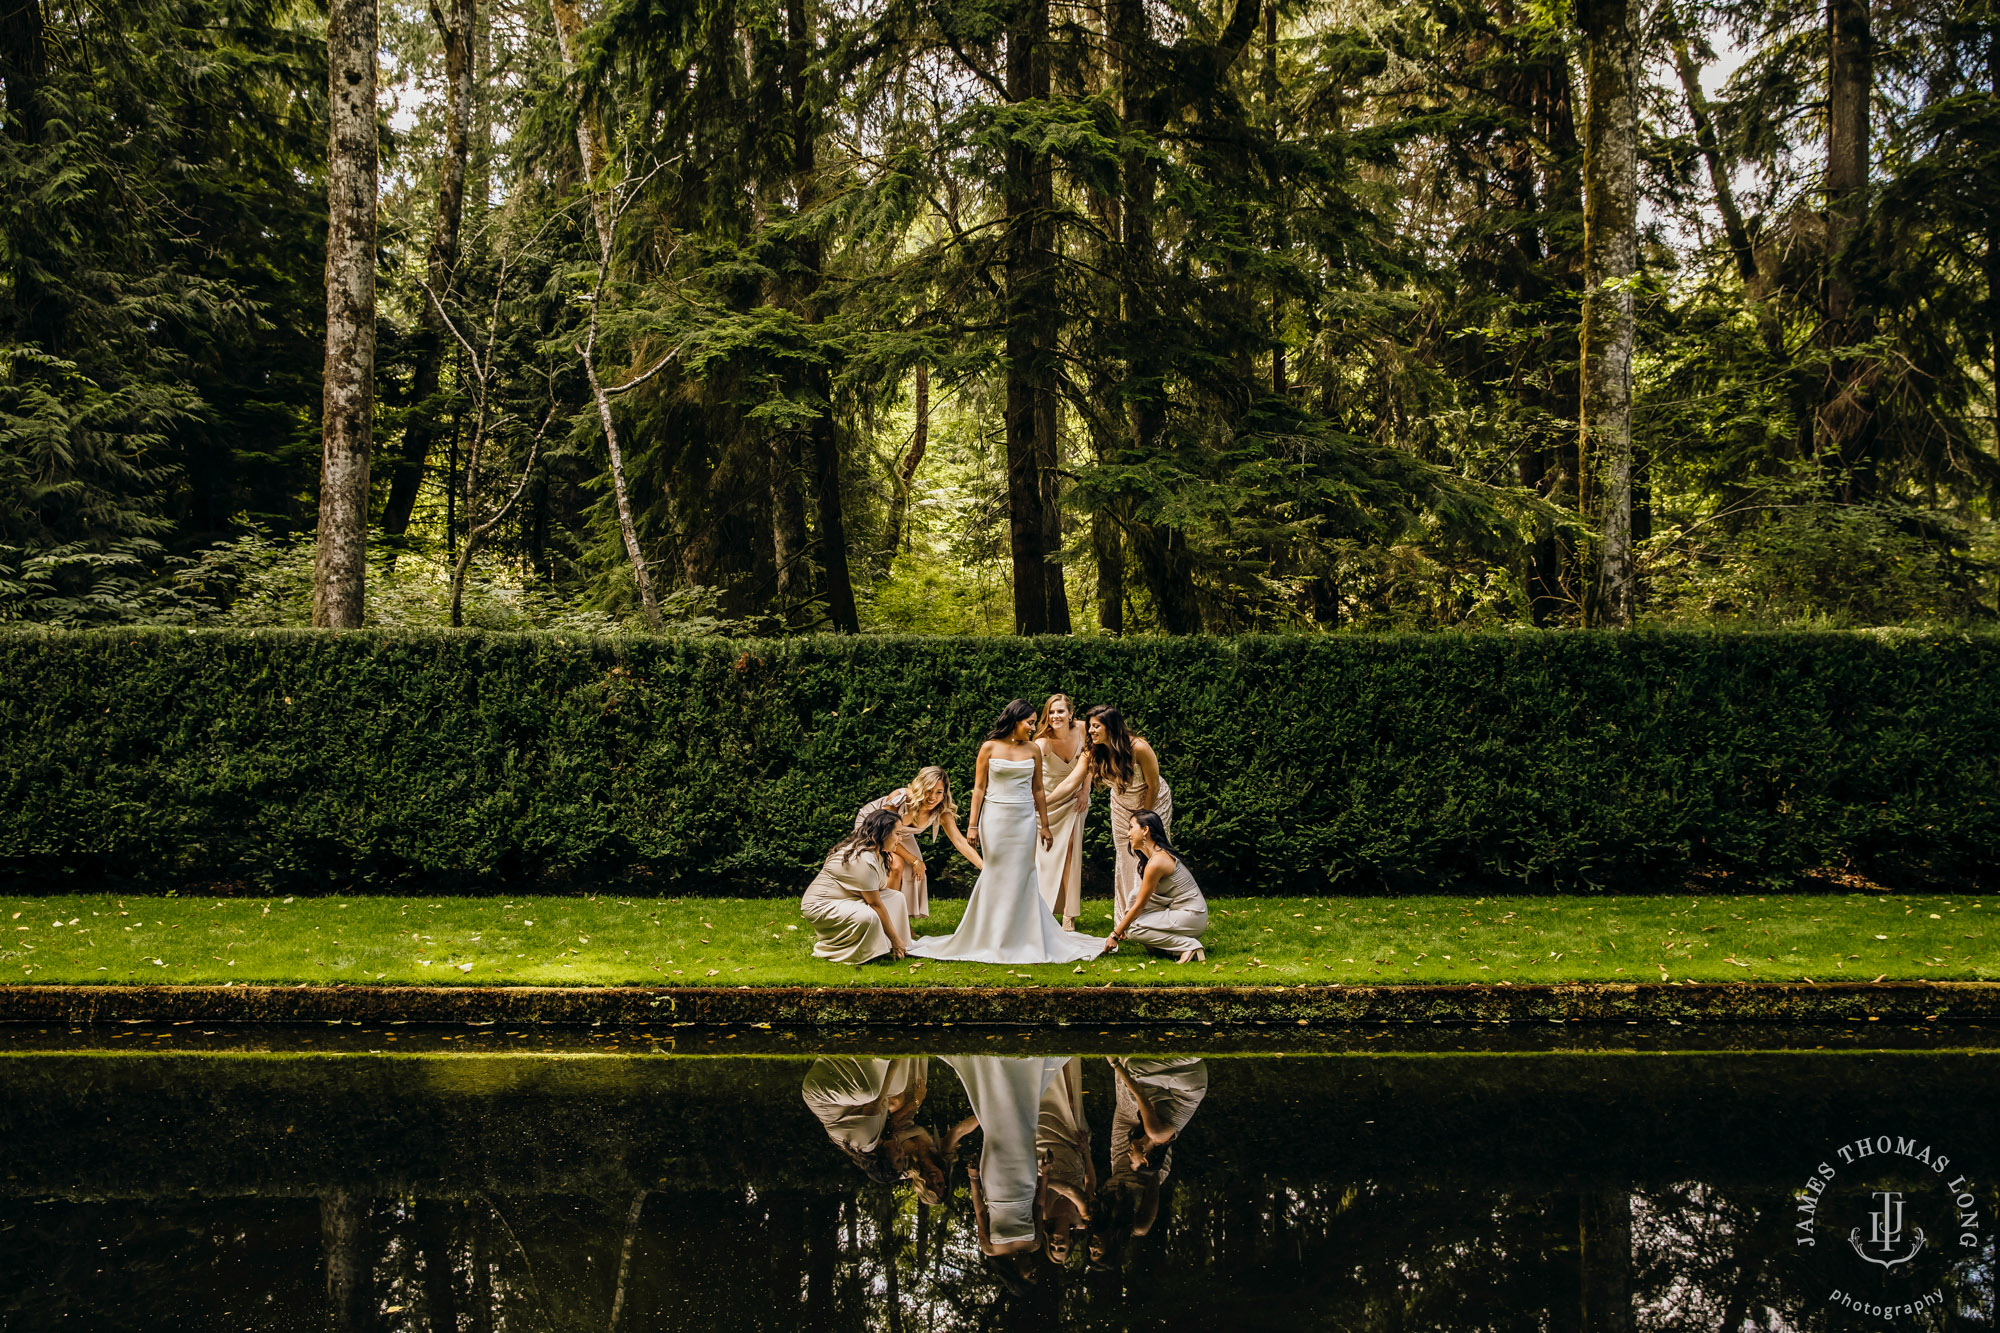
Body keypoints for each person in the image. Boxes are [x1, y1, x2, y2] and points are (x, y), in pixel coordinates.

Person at [907, 700, 1101, 965]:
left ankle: (1025, 934)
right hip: (995, 819)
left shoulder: (1033, 749)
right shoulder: (989, 748)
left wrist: (1044, 825)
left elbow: (1039, 790)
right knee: (996, 872)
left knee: (1023, 873)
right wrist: (973, 825)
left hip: (1024, 819)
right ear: (1015, 720)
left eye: (1034, 722)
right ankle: (991, 934)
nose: (1034, 727)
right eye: (1030, 722)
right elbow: (979, 788)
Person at [939, 1055, 1073, 1259]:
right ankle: (1023, 1071)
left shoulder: (990, 1249)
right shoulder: (1035, 1245)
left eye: (1027, 1277)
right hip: (1024, 1185)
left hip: (996, 1187)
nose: (1030, 1273)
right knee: (1024, 1128)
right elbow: (1038, 1205)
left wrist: (974, 1178)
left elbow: (981, 1212)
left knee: (996, 1132)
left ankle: (992, 1070)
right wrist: (1044, 1174)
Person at [1088, 1057, 1209, 1269]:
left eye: (1090, 1251)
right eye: (1097, 1252)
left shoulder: (1099, 1216)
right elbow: (1153, 1184)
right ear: (1111, 1249)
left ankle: (1124, 1048)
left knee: (1126, 1095)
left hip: (1120, 1157)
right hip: (1147, 1160)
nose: (1092, 1247)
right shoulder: (1138, 1226)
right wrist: (1140, 1157)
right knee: (1142, 1093)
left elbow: (1089, 1186)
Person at [801, 1056, 947, 1203]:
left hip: (820, 1093)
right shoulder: (876, 1141)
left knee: (871, 1091)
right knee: (898, 1086)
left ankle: (888, 1052)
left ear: (883, 1159)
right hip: (837, 1090)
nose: (902, 1152)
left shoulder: (866, 1141)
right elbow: (886, 1106)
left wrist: (896, 1059)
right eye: (903, 1158)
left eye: (898, 1158)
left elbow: (876, 1100)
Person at [853, 765, 983, 919]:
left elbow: (960, 842)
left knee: (915, 872)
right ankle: (885, 918)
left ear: (944, 793)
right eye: (928, 790)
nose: (932, 797)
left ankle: (902, 920)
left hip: (900, 833)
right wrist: (914, 860)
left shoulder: (942, 811)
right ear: (920, 787)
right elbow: (885, 833)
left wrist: (984, 868)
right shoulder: (900, 799)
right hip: (874, 827)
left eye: (938, 792)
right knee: (897, 865)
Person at [1085, 705, 1174, 919]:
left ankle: (1156, 914)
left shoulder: (1139, 747)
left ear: (1111, 727)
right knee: (1126, 857)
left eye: (1096, 726)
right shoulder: (1097, 750)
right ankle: (1126, 917)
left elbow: (1153, 785)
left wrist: (1144, 820)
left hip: (1153, 802)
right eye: (1090, 726)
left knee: (1151, 853)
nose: (1090, 731)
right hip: (1121, 805)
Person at [800, 809, 916, 964]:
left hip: (847, 899)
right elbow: (874, 903)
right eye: (897, 834)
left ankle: (898, 946)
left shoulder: (879, 853)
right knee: (869, 916)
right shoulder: (863, 858)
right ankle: (843, 951)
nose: (900, 839)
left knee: (896, 897)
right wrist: (894, 938)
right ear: (884, 834)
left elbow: (881, 893)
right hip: (820, 905)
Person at [1102, 809, 1209, 964]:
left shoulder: (1157, 861)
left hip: (1192, 916)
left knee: (1134, 929)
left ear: (1145, 830)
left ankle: (1188, 945)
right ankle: (1162, 946)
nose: (1128, 834)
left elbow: (1140, 906)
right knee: (1134, 895)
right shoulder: (1155, 857)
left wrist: (1116, 933)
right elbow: (1139, 899)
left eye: (1131, 827)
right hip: (1182, 912)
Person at [1033, 695, 1092, 931]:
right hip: (1047, 801)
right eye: (1051, 713)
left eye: (1060, 711)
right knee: (1043, 856)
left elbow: (1091, 762)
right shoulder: (1042, 742)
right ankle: (1039, 909)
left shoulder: (1083, 730)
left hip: (1074, 800)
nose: (1056, 717)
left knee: (1070, 850)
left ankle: (1069, 914)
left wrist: (1086, 791)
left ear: (1070, 713)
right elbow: (1032, 777)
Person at [1036, 1056, 1094, 1268]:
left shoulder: (1044, 1214)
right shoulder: (1083, 1220)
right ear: (1071, 1244)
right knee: (1070, 1102)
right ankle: (1067, 1055)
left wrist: (1042, 1177)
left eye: (1052, 1248)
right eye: (1062, 1248)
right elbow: (1087, 1185)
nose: (1056, 1245)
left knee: (1040, 1104)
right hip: (1072, 1154)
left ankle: (1039, 1058)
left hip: (1045, 1151)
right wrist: (1086, 1152)